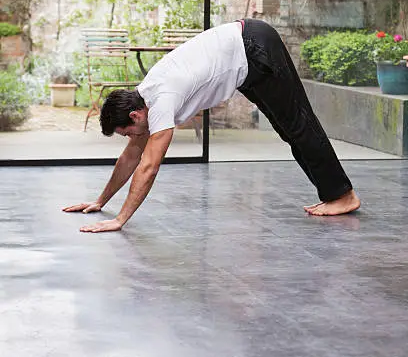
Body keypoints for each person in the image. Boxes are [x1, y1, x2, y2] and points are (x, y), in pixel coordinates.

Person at [63, 19, 360, 233]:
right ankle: (334, 193)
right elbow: (131, 157)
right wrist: (101, 201)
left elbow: (148, 166)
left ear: (135, 117)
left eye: (127, 132)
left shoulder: (162, 99)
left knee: (298, 124)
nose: (130, 139)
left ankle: (342, 195)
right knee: (289, 129)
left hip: (255, 47)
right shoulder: (146, 96)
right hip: (247, 58)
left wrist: (120, 220)